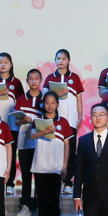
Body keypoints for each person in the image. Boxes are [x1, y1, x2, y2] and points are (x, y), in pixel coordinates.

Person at [29, 91, 73, 216]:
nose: (50, 106)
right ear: (43, 104)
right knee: (42, 201)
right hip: (40, 167)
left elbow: (67, 145)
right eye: (47, 103)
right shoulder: (38, 121)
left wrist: (65, 166)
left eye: (53, 103)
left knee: (54, 200)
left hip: (56, 168)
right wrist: (46, 131)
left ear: (57, 104)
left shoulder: (63, 122)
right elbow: (32, 136)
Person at [12, 68, 45, 216]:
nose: (33, 81)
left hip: (40, 143)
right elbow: (16, 122)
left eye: (36, 78)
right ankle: (25, 205)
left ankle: (39, 205)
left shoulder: (45, 99)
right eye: (31, 79)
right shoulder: (21, 99)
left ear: (40, 81)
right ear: (27, 81)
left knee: (40, 175)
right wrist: (22, 121)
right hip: (24, 142)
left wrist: (34, 121)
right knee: (26, 175)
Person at [45, 49, 84, 177]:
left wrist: (80, 116)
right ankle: (54, 177)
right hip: (54, 119)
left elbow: (79, 99)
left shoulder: (74, 77)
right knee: (54, 148)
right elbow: (45, 96)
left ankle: (68, 181)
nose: (61, 61)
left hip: (71, 119)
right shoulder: (50, 78)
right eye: (58, 59)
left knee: (71, 149)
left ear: (69, 61)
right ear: (55, 60)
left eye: (64, 59)